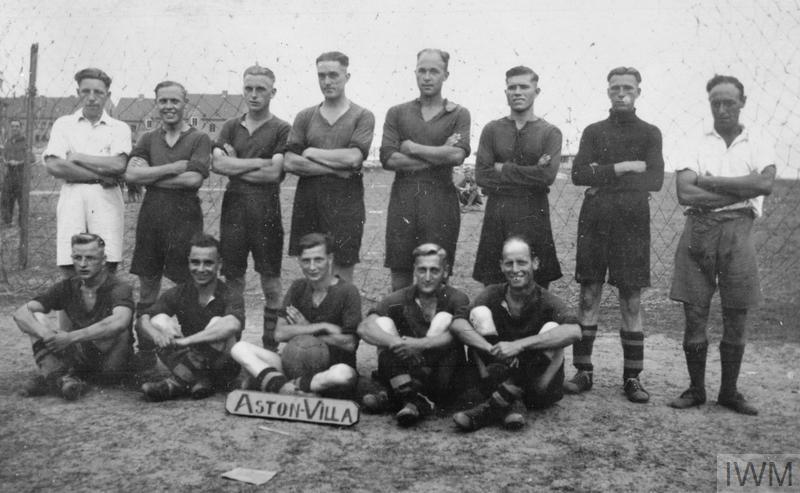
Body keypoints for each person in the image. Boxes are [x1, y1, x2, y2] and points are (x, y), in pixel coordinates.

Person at [668, 75, 775, 416]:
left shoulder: (758, 141)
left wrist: (711, 180)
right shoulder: (694, 141)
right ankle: (696, 389)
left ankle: (729, 391)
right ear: (709, 103)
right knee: (695, 313)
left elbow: (764, 183)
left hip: (739, 234)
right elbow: (685, 192)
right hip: (698, 231)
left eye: (729, 102)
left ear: (743, 102)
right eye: (716, 102)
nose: (722, 108)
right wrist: (738, 191)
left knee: (736, 314)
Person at [566, 66, 664, 403]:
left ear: (638, 91)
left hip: (633, 220)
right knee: (589, 295)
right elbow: (579, 174)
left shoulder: (651, 133)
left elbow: (654, 180)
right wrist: (624, 167)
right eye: (615, 88)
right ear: (608, 91)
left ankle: (632, 377)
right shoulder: (594, 132)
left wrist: (602, 175)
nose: (621, 93)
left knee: (631, 299)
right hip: (595, 219)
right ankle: (583, 370)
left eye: (628, 88)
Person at [450, 236, 580, 431]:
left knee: (553, 329)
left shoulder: (548, 300)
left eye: (522, 262)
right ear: (501, 266)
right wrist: (489, 347)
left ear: (535, 263)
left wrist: (520, 345)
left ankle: (490, 408)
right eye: (509, 263)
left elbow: (575, 332)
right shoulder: (492, 293)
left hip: (539, 390)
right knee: (479, 314)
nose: (515, 269)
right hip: (497, 377)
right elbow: (458, 323)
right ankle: (511, 400)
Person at [125, 81, 211, 368]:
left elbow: (194, 179)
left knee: (188, 285)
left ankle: (195, 352)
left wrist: (152, 175)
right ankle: (146, 353)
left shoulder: (199, 138)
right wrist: (174, 167)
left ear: (185, 102)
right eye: (163, 101)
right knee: (148, 286)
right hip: (152, 220)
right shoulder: (148, 138)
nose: (169, 106)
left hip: (185, 220)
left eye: (174, 100)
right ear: (156, 103)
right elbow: (132, 176)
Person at [212, 65, 291, 350]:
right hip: (233, 212)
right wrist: (260, 161)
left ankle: (270, 347)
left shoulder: (282, 128)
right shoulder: (231, 126)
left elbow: (274, 174)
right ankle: (234, 348)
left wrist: (236, 166)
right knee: (234, 280)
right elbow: (218, 164)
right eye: (249, 88)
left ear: (273, 92)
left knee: (271, 282)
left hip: (266, 212)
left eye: (261, 89)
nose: (254, 95)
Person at [380, 48, 471, 292]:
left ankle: (434, 329)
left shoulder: (458, 114)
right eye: (422, 71)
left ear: (446, 75)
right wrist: (439, 153)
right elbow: (388, 158)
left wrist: (411, 147)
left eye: (434, 71)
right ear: (415, 73)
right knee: (400, 275)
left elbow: (457, 154)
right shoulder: (397, 113)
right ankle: (399, 328)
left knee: (437, 274)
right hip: (404, 201)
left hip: (440, 202)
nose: (427, 77)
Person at [230, 233, 360, 397]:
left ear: (330, 258)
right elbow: (279, 333)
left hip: (331, 366)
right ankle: (284, 386)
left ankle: (286, 385)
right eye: (306, 261)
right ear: (299, 261)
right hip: (294, 364)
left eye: (318, 259)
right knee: (239, 348)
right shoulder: (298, 287)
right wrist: (320, 327)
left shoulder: (348, 291)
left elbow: (349, 343)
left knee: (343, 375)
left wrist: (304, 330)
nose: (312, 267)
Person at [284, 52, 375, 284]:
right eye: (321, 76)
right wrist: (335, 169)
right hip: (309, 200)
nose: (327, 81)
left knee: (342, 270)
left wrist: (312, 152)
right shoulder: (305, 117)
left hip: (346, 202)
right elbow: (290, 161)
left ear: (347, 76)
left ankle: (340, 320)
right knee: (312, 267)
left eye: (333, 75)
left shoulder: (362, 116)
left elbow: (354, 158)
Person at [357, 243, 469, 426]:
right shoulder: (400, 297)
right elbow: (364, 327)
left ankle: (396, 397)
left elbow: (459, 333)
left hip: (442, 374)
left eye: (434, 271)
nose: (427, 277)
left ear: (446, 272)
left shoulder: (457, 298)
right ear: (414, 271)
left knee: (444, 319)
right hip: (408, 370)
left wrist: (420, 344)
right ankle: (414, 400)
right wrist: (395, 342)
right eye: (422, 270)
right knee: (383, 324)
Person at [12, 233, 134, 400]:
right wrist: (45, 334)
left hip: (110, 365)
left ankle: (52, 377)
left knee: (115, 329)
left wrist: (70, 337)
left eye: (90, 258)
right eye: (78, 258)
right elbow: (20, 313)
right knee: (37, 317)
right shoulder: (67, 286)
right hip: (79, 357)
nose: (83, 264)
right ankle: (62, 380)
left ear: (104, 260)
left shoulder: (119, 287)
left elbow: (120, 322)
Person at [473, 66, 563, 288]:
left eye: (524, 86)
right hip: (498, 214)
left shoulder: (549, 132)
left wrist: (503, 169)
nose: (517, 92)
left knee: (536, 284)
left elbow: (547, 176)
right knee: (494, 284)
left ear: (536, 91)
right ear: (506, 92)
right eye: (512, 87)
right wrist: (532, 171)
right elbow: (482, 175)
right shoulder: (492, 130)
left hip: (534, 213)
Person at [43, 68, 131, 275]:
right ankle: (73, 304)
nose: (92, 98)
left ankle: (105, 306)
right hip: (73, 193)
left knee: (107, 259)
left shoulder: (119, 128)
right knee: (69, 259)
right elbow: (54, 166)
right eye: (86, 91)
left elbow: (119, 165)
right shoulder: (63, 124)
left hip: (106, 197)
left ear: (108, 95)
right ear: (78, 93)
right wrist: (101, 174)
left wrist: (78, 157)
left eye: (98, 92)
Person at [138, 233, 243, 401]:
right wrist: (156, 334)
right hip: (189, 357)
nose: (201, 269)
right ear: (188, 262)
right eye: (195, 262)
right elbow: (144, 318)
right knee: (158, 320)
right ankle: (199, 380)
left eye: (208, 263)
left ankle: (176, 384)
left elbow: (233, 325)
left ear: (219, 264)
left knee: (220, 324)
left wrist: (187, 341)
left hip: (222, 365)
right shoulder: (179, 292)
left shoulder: (230, 294)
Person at [2, 119, 32, 226]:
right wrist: (6, 161)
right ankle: (7, 221)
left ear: (21, 128)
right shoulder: (8, 141)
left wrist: (19, 162)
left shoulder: (25, 141)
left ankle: (22, 222)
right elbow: (4, 155)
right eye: (13, 126)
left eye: (17, 126)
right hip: (9, 173)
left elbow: (31, 158)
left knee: (22, 200)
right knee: (6, 198)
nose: (14, 128)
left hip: (21, 174)